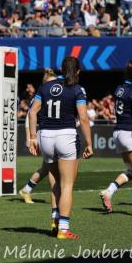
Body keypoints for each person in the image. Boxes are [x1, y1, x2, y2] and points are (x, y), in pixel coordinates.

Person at [28, 57, 94, 239]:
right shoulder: (78, 89)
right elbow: (83, 118)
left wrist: (33, 137)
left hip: (45, 137)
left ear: (61, 69)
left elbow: (32, 111)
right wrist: (89, 143)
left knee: (56, 182)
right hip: (66, 135)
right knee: (67, 185)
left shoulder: (46, 86)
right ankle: (64, 229)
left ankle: (55, 220)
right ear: (78, 71)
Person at [100, 61, 132, 216]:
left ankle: (109, 191)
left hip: (118, 132)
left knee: (131, 170)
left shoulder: (119, 88)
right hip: (129, 132)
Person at [19, 69, 58, 204]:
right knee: (53, 167)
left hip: (51, 134)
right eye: (51, 82)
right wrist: (30, 138)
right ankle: (57, 197)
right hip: (45, 134)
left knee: (47, 168)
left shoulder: (56, 95)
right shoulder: (40, 96)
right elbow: (29, 117)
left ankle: (26, 190)